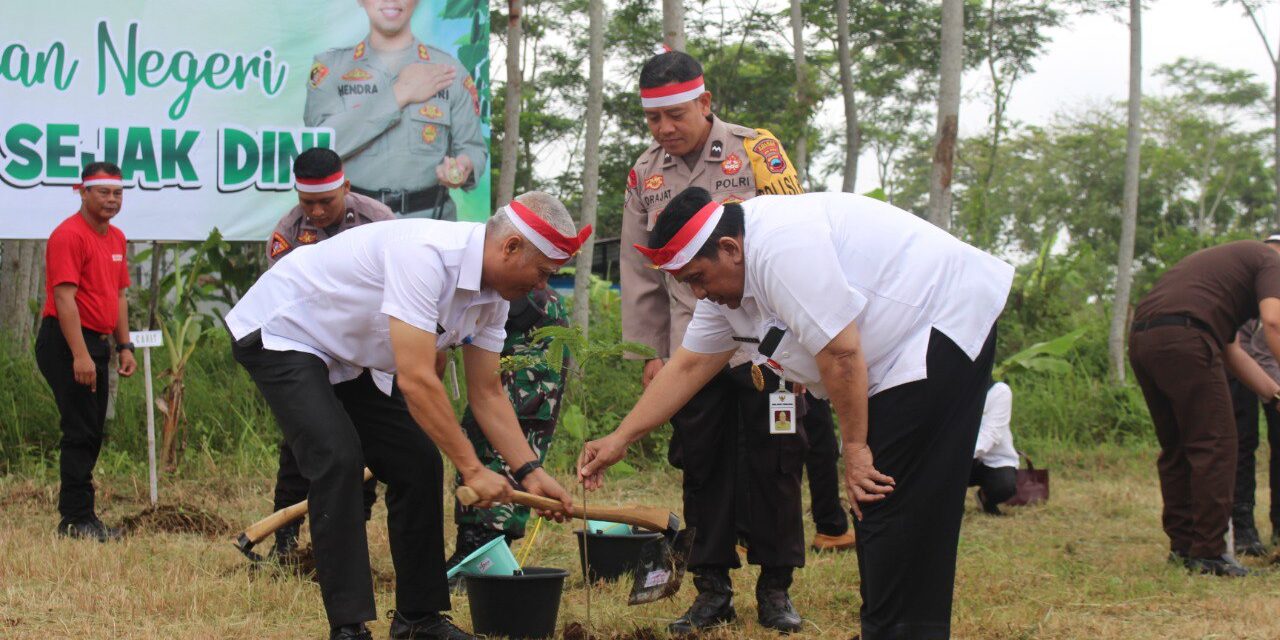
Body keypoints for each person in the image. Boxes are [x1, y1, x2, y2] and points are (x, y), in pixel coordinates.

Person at [580, 188, 1013, 640]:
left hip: (939, 321)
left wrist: (856, 449)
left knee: (888, 497)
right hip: (888, 356)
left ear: (729, 249)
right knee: (880, 504)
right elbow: (688, 366)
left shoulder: (781, 248)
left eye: (698, 278)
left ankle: (902, 629)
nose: (699, 293)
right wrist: (621, 437)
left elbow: (841, 354)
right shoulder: (724, 286)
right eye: (688, 284)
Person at [225, 192, 585, 640]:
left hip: (348, 350)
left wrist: (528, 471)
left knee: (417, 462)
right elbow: (416, 381)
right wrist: (472, 469)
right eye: (543, 272)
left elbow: (488, 393)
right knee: (337, 458)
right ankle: (349, 626)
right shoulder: (427, 255)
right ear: (510, 247)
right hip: (284, 330)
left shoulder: (493, 299)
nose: (541, 285)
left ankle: (419, 619)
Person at [618, 49, 848, 635]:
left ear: (704, 102)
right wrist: (649, 354)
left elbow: (800, 239)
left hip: (768, 346)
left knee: (777, 464)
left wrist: (805, 344)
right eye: (653, 119)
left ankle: (775, 589)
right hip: (688, 349)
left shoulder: (757, 150)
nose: (665, 129)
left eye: (676, 114)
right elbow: (639, 271)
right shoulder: (645, 173)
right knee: (702, 467)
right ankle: (711, 589)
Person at [264, 148, 396, 557]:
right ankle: (285, 543)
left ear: (346, 188)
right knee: (299, 444)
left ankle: (348, 541)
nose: (317, 212)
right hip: (313, 351)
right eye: (308, 203)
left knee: (362, 442)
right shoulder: (287, 233)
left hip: (366, 350)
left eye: (326, 201)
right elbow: (279, 303)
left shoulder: (380, 222)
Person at [1129, 238, 1280, 578]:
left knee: (1178, 447)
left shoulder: (1223, 272)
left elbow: (1232, 352)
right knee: (1217, 444)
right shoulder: (1271, 261)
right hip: (1186, 339)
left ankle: (1183, 548)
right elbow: (1274, 322)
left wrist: (1274, 395)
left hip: (1144, 339)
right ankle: (1210, 554)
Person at [304, 0, 486, 219]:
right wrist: (399, 93)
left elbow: (473, 149)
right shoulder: (331, 69)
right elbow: (319, 148)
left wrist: (463, 167)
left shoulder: (449, 71)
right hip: (353, 223)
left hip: (430, 223)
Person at [34, 162, 138, 543]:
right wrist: (80, 355)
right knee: (80, 429)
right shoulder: (68, 235)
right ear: (83, 192)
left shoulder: (117, 238)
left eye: (118, 193)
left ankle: (81, 515)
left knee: (92, 429)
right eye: (104, 193)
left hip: (98, 343)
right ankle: (76, 520)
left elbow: (120, 294)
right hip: (66, 343)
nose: (112, 200)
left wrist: (123, 346)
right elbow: (64, 299)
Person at [446, 288, 568, 574]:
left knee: (511, 421)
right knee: (475, 429)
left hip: (526, 317)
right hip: (478, 306)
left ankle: (485, 552)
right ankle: (471, 545)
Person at [1228, 315, 1280, 556]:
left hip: (1270, 353)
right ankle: (1243, 527)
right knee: (1243, 439)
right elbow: (1264, 341)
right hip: (1238, 350)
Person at [969, 381, 1018, 516]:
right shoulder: (951, 388)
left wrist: (956, 458)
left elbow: (990, 435)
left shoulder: (999, 391)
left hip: (989, 460)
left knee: (1004, 486)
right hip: (957, 457)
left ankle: (985, 498)